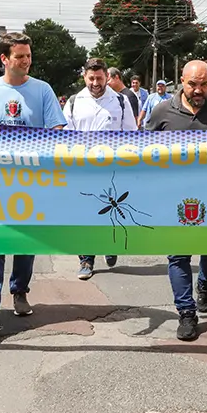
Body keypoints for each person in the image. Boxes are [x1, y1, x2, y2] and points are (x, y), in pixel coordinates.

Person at [0, 32, 65, 331]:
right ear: (4, 59)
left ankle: (20, 290)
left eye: (29, 56)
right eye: (20, 56)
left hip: (31, 180)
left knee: (25, 241)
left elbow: (57, 128)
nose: (26, 61)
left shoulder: (43, 90)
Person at [147, 61, 207, 341]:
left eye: (204, 84)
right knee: (178, 255)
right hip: (174, 198)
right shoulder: (162, 111)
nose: (198, 90)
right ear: (181, 81)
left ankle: (206, 285)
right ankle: (186, 313)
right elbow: (143, 151)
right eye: (193, 84)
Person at [63, 58, 138, 279]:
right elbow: (66, 137)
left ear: (107, 76)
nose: (96, 83)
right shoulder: (74, 102)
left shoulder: (121, 102)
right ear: (84, 77)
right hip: (83, 169)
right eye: (91, 78)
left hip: (113, 169)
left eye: (100, 78)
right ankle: (86, 260)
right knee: (85, 215)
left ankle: (110, 244)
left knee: (110, 212)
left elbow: (131, 136)